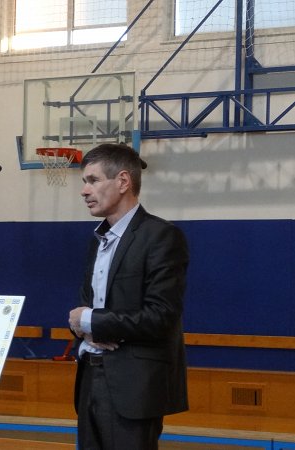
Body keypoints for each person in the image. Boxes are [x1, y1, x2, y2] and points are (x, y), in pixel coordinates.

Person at [67, 143, 189, 450]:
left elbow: (161, 316)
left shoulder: (160, 236)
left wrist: (92, 321)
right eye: (84, 181)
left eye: (93, 180)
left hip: (134, 386)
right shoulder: (98, 240)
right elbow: (87, 308)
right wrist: (84, 327)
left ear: (123, 181)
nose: (84, 190)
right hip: (89, 377)